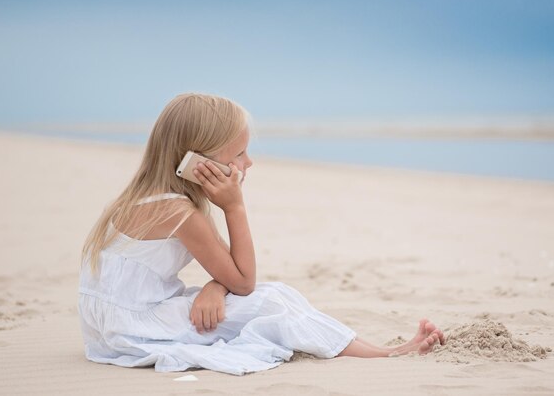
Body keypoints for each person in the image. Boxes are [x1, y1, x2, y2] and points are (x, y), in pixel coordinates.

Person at [78, 93, 445, 375]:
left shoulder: (156, 199)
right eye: (239, 153)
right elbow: (244, 280)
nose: (248, 163)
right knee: (273, 300)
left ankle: (375, 348)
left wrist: (213, 285)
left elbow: (227, 273)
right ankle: (385, 354)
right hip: (130, 328)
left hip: (118, 321)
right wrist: (234, 207)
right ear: (197, 163)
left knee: (274, 297)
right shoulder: (176, 211)